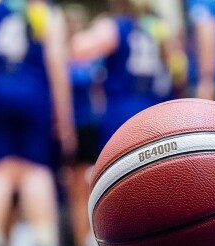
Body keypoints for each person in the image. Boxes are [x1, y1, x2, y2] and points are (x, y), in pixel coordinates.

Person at [0, 0, 75, 246]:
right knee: (36, 171)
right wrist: (65, 119)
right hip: (34, 99)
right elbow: (56, 64)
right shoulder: (46, 12)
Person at [71, 0, 171, 147]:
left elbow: (77, 48)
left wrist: (97, 24)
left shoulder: (116, 26)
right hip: (155, 109)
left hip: (123, 110)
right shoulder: (157, 27)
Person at [63, 3, 104, 246]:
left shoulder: (92, 57)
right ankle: (77, 245)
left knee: (86, 185)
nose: (75, 27)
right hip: (69, 124)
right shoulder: (59, 55)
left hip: (89, 124)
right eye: (71, 23)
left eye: (79, 23)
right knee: (74, 187)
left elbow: (99, 92)